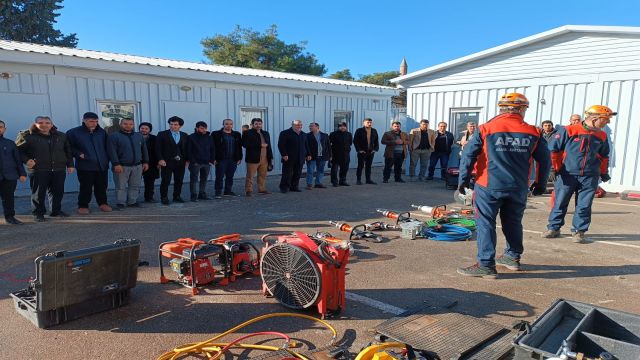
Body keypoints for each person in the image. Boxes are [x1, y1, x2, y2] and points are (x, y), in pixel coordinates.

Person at [456, 93, 550, 278]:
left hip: (488, 185)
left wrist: (463, 180)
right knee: (513, 222)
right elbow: (545, 161)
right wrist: (540, 184)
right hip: (518, 187)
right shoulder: (534, 132)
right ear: (523, 109)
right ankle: (512, 257)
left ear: (501, 109)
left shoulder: (486, 128)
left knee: (485, 223)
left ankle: (486, 264)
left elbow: (468, 155)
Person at [542, 105, 615, 243]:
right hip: (567, 174)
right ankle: (554, 228)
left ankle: (579, 231)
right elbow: (553, 150)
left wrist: (604, 172)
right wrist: (553, 168)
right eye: (605, 119)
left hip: (590, 176)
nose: (608, 122)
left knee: (584, 205)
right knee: (560, 202)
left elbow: (604, 155)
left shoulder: (601, 135)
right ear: (594, 118)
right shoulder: (568, 130)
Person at [16, 116, 75, 222]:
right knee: (38, 193)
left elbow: (68, 151)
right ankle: (38, 213)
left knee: (58, 192)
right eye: (41, 122)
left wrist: (70, 165)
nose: (44, 125)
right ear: (35, 124)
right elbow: (18, 151)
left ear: (52, 124)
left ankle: (55, 211)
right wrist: (26, 160)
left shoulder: (61, 136)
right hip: (38, 169)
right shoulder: (27, 136)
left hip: (58, 168)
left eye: (47, 123)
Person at [66, 112, 112, 215]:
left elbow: (107, 147)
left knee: (102, 186)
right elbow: (68, 147)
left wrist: (108, 159)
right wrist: (78, 154)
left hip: (101, 165)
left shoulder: (101, 132)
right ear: (84, 120)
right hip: (85, 165)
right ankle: (83, 205)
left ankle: (103, 203)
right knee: (86, 187)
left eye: (96, 121)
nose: (94, 123)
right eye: (91, 121)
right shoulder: (73, 132)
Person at [107, 118, 149, 209]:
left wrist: (145, 162)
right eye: (125, 124)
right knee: (120, 186)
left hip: (137, 165)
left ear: (133, 125)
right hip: (121, 166)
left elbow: (144, 149)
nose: (128, 126)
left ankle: (132, 201)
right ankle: (121, 203)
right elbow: (111, 151)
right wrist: (116, 164)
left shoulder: (138, 136)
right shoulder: (114, 136)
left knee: (135, 185)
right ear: (121, 124)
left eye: (130, 124)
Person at [156, 116, 188, 205]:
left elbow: (186, 149)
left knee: (179, 180)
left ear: (180, 126)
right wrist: (160, 159)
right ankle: (164, 197)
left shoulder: (184, 135)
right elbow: (158, 148)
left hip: (180, 162)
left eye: (175, 124)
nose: (173, 126)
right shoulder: (162, 134)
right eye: (171, 124)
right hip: (166, 162)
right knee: (166, 180)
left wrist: (186, 160)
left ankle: (177, 196)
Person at [0, 120, 27, 224]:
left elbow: (18, 160)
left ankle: (10, 217)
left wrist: (22, 174)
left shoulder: (10, 143)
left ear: (4, 129)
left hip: (9, 176)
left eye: (1, 127)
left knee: (8, 198)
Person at [211, 119, 242, 198]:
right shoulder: (216, 134)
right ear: (223, 124)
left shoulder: (237, 134)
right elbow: (212, 147)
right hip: (221, 159)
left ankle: (227, 191)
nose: (229, 125)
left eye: (230, 124)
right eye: (227, 124)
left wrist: (239, 158)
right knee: (219, 176)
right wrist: (213, 158)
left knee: (230, 176)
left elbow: (239, 147)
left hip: (233, 159)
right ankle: (218, 192)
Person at [242, 118, 273, 196]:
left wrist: (270, 157)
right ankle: (248, 191)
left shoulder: (266, 133)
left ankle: (261, 189)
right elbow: (245, 144)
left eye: (260, 124)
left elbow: (269, 146)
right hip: (253, 158)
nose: (258, 125)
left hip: (265, 158)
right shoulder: (247, 133)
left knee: (262, 175)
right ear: (252, 124)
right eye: (256, 124)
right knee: (250, 176)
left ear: (262, 124)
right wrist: (259, 145)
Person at [278, 120, 310, 193]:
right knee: (287, 173)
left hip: (300, 157)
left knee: (297, 173)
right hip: (288, 158)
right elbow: (281, 145)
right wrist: (284, 154)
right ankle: (284, 187)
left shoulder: (304, 134)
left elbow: (306, 145)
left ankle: (294, 186)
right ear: (292, 125)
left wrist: (308, 154)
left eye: (300, 125)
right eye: (297, 125)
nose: (299, 126)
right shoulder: (285, 133)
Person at [187, 121, 215, 201]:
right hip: (196, 163)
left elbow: (212, 149)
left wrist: (211, 160)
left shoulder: (209, 137)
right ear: (197, 128)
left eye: (205, 128)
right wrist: (193, 161)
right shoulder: (191, 137)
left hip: (207, 163)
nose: (204, 130)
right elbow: (189, 151)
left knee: (204, 179)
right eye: (201, 128)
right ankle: (193, 195)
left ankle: (202, 194)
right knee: (194, 180)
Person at [353, 118, 379, 185]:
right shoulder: (359, 130)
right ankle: (358, 180)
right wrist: (359, 150)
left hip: (370, 152)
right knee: (360, 166)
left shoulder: (374, 130)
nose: (369, 124)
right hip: (362, 151)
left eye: (370, 122)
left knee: (368, 166)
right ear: (363, 123)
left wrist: (375, 149)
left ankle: (368, 180)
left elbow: (376, 141)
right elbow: (355, 141)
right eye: (368, 122)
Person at [305, 122, 331, 189]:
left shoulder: (325, 135)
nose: (310, 127)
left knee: (321, 170)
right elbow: (305, 146)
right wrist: (307, 155)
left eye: (311, 126)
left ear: (317, 127)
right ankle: (309, 184)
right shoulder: (307, 135)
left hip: (322, 156)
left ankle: (318, 183)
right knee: (310, 170)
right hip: (311, 156)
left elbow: (328, 146)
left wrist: (330, 155)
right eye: (309, 126)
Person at [139, 122, 159, 202]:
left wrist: (158, 162)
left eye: (146, 128)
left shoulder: (154, 138)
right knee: (135, 182)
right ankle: (133, 199)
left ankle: (149, 197)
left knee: (150, 182)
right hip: (137, 163)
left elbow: (158, 151)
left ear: (150, 130)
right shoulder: (134, 137)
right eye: (142, 128)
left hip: (152, 163)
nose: (144, 130)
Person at [329, 122, 353, 187]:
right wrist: (330, 155)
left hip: (345, 154)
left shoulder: (349, 134)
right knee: (334, 169)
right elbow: (329, 144)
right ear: (338, 127)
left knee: (344, 169)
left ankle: (342, 181)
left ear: (346, 127)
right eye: (341, 126)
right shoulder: (333, 134)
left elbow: (350, 143)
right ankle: (334, 182)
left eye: (344, 126)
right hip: (335, 154)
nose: (342, 127)